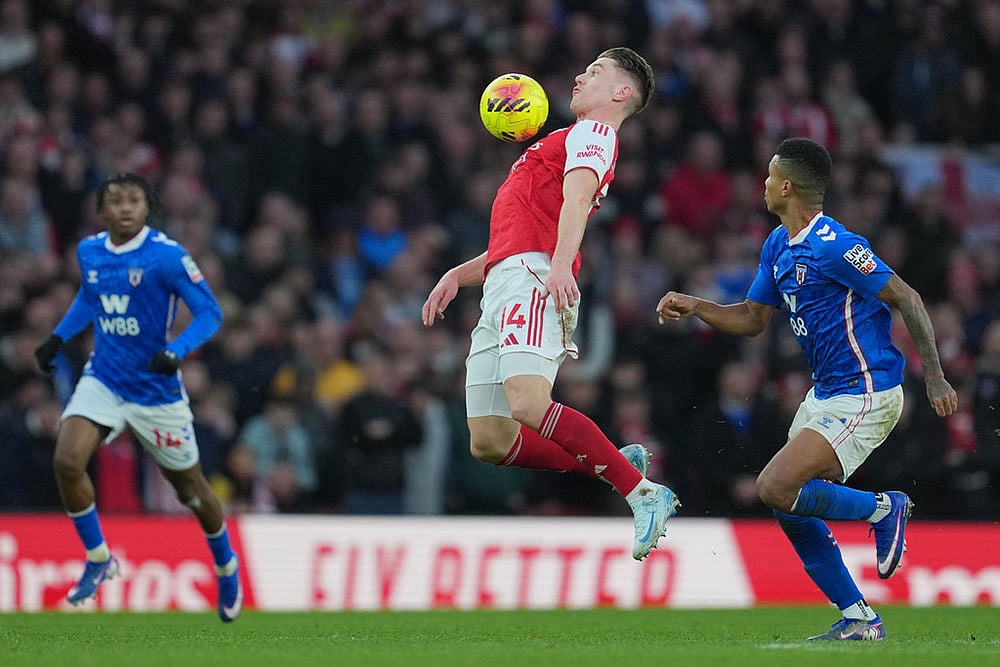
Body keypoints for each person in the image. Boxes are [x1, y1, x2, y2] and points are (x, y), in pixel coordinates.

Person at [656, 137, 958, 640]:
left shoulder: (836, 246)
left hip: (868, 391)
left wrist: (934, 375)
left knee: (773, 486)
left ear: (788, 186)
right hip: (824, 394)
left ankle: (886, 508)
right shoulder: (777, 244)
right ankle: (859, 618)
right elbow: (753, 320)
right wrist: (699, 306)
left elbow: (907, 296)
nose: (764, 184)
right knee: (786, 501)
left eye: (770, 176)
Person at [422, 47, 679, 561]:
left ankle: (642, 492)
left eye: (597, 72)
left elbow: (578, 199)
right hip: (505, 278)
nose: (582, 75)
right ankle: (615, 463)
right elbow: (517, 236)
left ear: (621, 93)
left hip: (534, 279)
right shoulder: (563, 139)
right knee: (489, 440)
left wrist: (561, 264)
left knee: (528, 405)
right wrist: (458, 273)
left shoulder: (594, 133)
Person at [33, 172, 242, 622]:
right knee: (67, 460)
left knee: (192, 491)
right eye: (116, 201)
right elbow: (91, 298)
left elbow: (210, 312)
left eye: (134, 201)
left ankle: (226, 565)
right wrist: (59, 337)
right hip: (104, 379)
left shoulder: (166, 257)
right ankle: (98, 558)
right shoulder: (89, 252)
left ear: (147, 208)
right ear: (102, 210)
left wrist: (177, 351)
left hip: (155, 390)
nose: (125, 208)